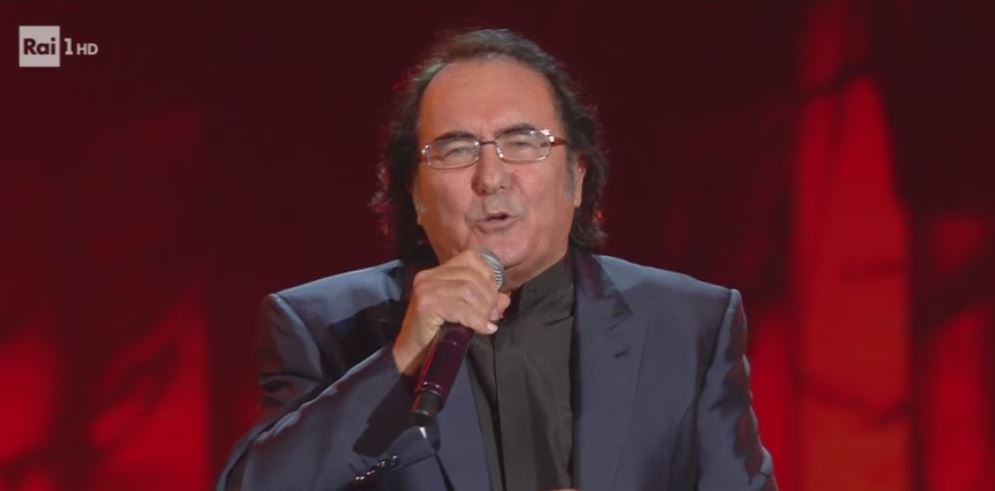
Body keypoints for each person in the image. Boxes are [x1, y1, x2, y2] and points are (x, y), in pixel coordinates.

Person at [218, 28, 777, 491]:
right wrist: (401, 359)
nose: (491, 177)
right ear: (415, 193)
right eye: (456, 149)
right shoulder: (324, 328)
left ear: (577, 177)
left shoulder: (688, 326)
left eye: (523, 142)